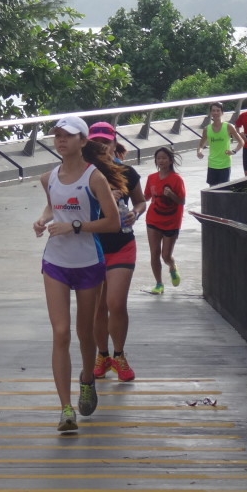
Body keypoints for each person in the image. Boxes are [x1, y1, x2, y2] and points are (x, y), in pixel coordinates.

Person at [33, 116, 123, 433]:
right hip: (55, 262)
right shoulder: (49, 178)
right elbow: (51, 207)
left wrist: (75, 226)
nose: (60, 141)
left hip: (88, 262)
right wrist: (42, 220)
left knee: (85, 333)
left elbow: (113, 222)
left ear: (83, 141)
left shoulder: (94, 178)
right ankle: (65, 409)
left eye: (67, 136)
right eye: (57, 136)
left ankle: (87, 378)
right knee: (60, 333)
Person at [86, 122, 145, 382]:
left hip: (122, 243)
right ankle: (103, 356)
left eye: (106, 143)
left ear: (113, 143)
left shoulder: (127, 172)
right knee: (99, 308)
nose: (102, 148)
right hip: (91, 246)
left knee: (116, 303)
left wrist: (135, 212)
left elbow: (141, 201)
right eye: (96, 143)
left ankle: (119, 355)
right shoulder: (83, 174)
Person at [143, 147, 187, 295]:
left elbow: (182, 201)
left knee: (165, 255)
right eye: (158, 158)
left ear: (170, 160)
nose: (161, 161)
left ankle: (172, 266)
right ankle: (159, 284)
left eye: (164, 158)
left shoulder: (176, 179)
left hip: (172, 221)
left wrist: (172, 195)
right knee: (154, 252)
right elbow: (146, 197)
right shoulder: (151, 178)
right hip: (153, 219)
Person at [196, 102, 244, 186]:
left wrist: (234, 151)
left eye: (218, 111)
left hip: (225, 164)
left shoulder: (228, 126)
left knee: (223, 190)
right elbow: (201, 145)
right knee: (212, 190)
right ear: (210, 113)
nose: (215, 113)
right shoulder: (207, 129)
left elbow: (241, 142)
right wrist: (199, 151)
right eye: (213, 111)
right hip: (212, 163)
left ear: (222, 112)